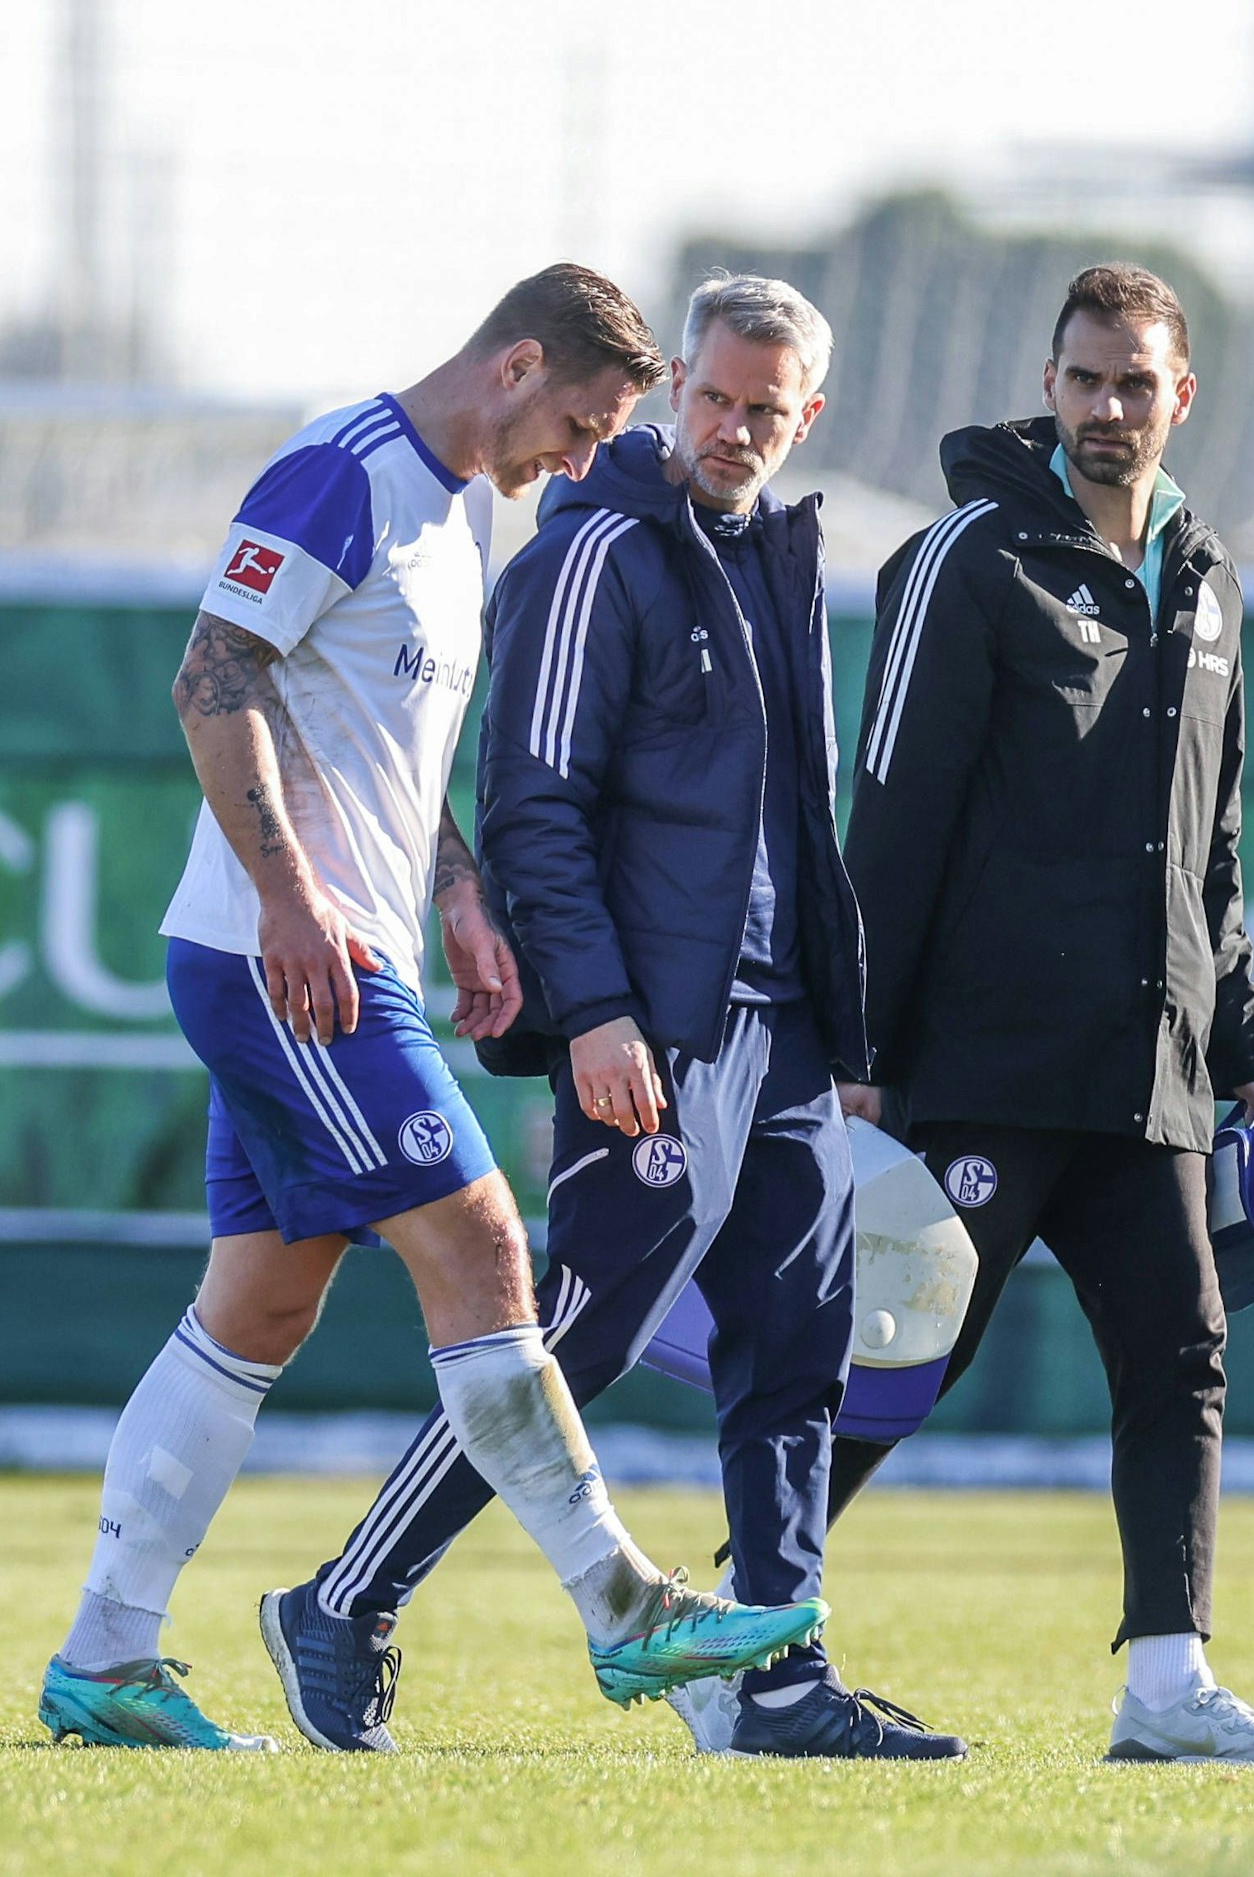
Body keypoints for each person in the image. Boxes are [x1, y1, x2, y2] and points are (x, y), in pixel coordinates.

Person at [39, 266, 828, 1753]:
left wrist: (456, 893)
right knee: (481, 1240)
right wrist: (286, 900)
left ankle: (105, 1654)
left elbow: (378, 750)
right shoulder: (341, 473)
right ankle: (625, 1608)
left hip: (353, 950)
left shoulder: (463, 511)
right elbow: (215, 679)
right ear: (518, 363)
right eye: (585, 423)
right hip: (289, 961)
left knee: (261, 1302)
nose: (587, 460)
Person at [261, 275, 966, 1762]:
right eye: (710, 398)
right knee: (576, 1333)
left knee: (802, 1355)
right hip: (651, 1030)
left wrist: (841, 1051)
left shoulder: (781, 551)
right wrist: (594, 1012)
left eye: (764, 411)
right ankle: (346, 1599)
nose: (731, 429)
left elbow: (792, 821)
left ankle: (776, 1684)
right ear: (675, 390)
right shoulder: (595, 550)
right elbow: (533, 804)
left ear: (807, 416)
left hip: (780, 1041)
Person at [831, 264, 1254, 1767]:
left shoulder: (1210, 574)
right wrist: (860, 1055)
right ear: (1048, 387)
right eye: (1083, 379)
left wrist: (1244, 1044)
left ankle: (1168, 1687)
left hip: (1153, 1069)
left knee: (1180, 1353)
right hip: (984, 1064)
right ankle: (751, 1638)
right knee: (894, 1360)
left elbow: (1215, 843)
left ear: (1183, 394)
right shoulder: (966, 557)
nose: (1108, 408)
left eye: (1136, 382)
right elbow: (894, 819)